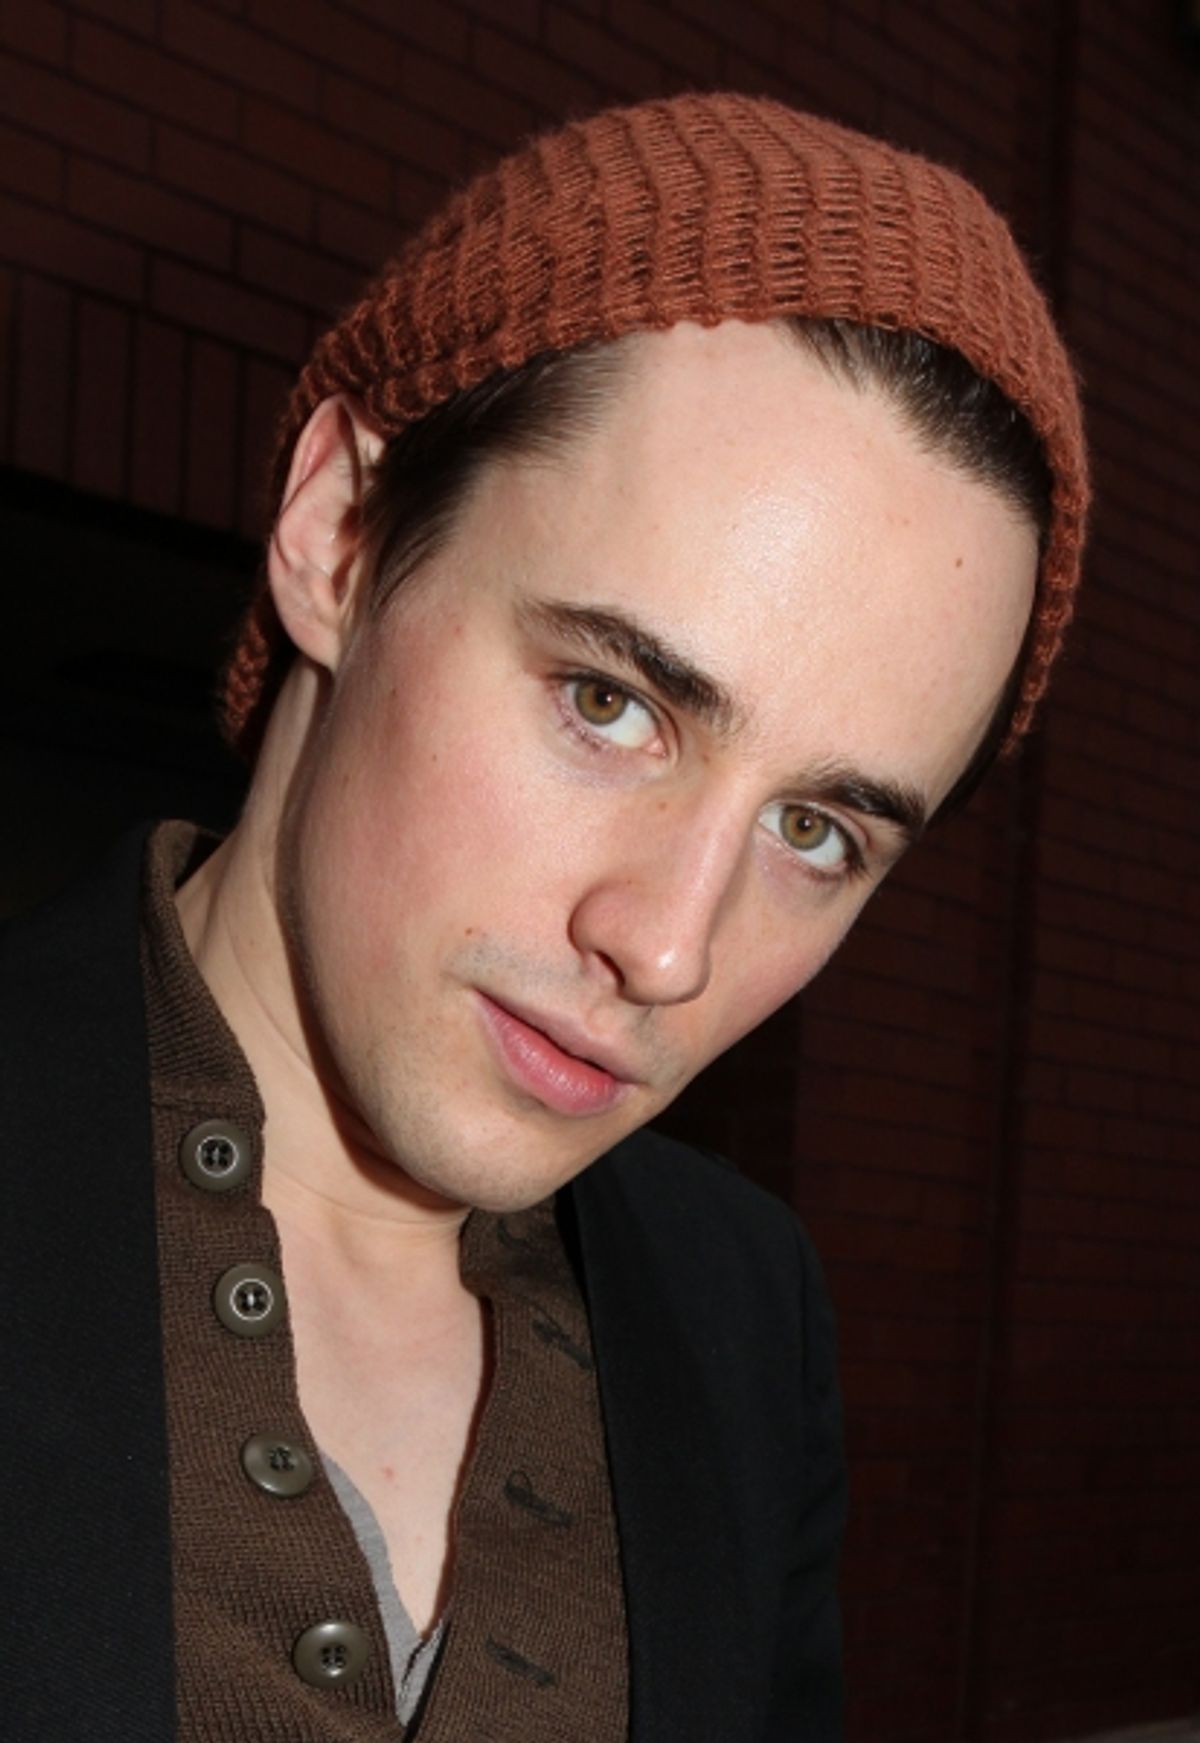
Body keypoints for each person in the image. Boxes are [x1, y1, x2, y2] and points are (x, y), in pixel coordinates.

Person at [1, 93, 1087, 1742]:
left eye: (815, 830)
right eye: (609, 702)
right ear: (341, 534)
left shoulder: (742, 1319)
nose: (670, 947)